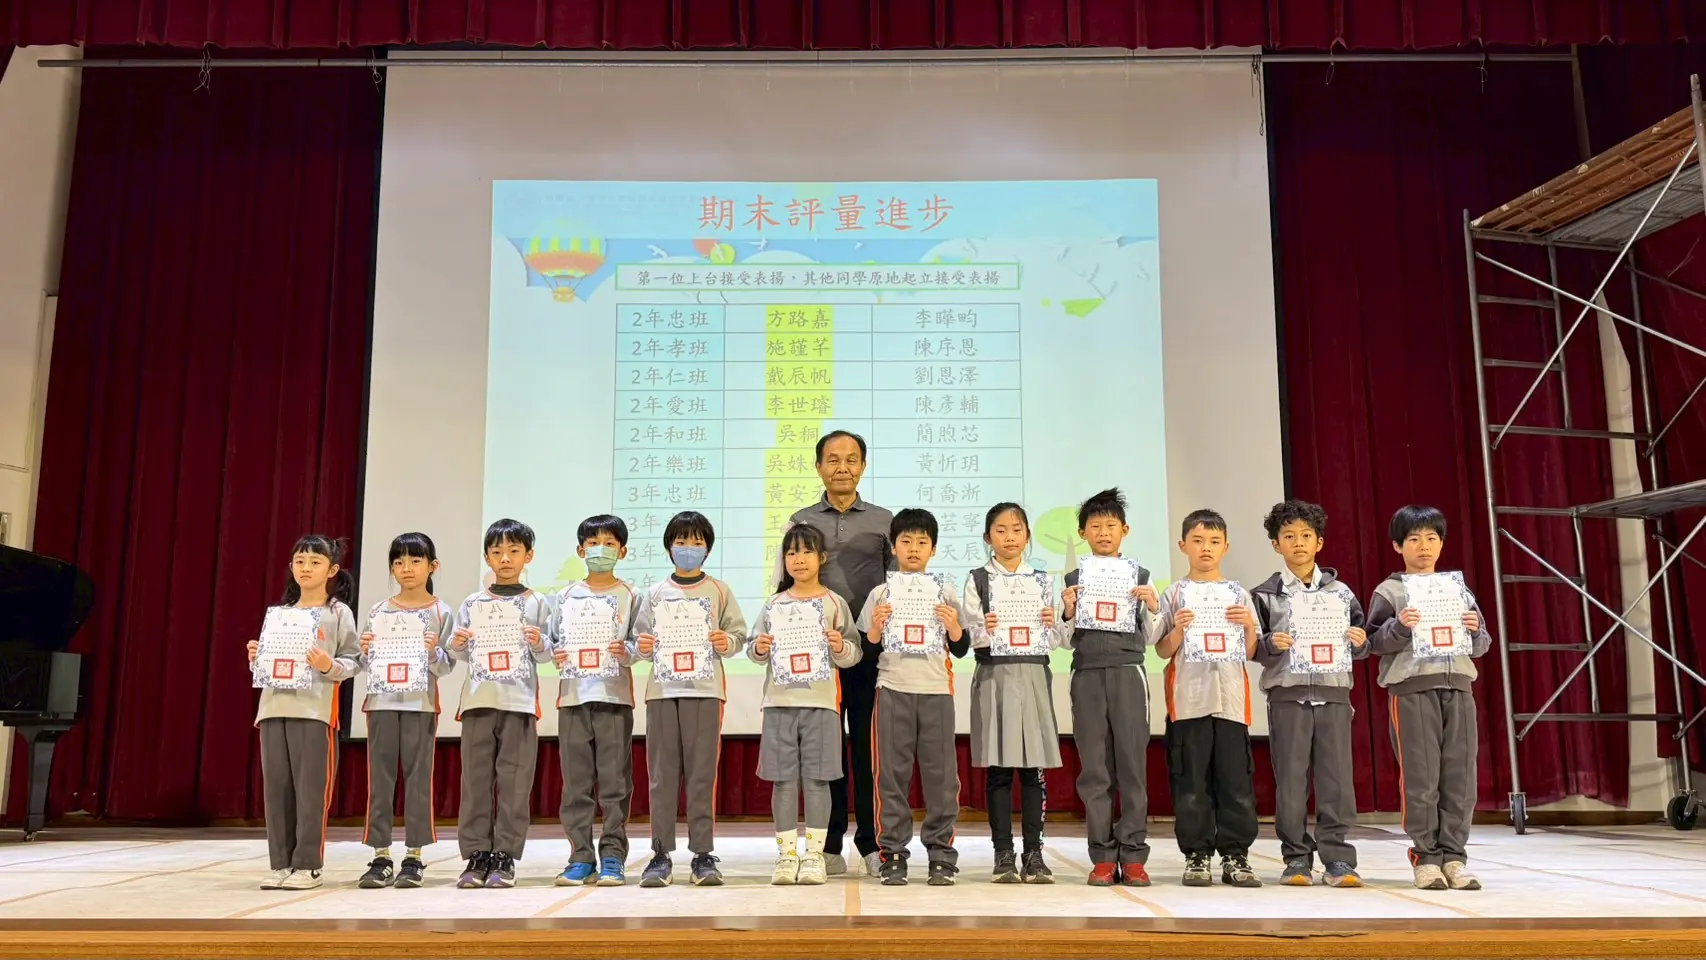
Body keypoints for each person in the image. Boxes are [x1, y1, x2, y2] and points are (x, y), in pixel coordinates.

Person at [775, 429, 892, 878]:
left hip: (869, 651)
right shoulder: (801, 520)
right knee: (827, 753)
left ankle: (872, 843)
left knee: (866, 748)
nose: (842, 467)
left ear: (863, 465)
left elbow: (899, 585)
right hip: (815, 657)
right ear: (818, 466)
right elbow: (784, 584)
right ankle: (828, 844)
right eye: (833, 459)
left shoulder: (884, 520)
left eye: (851, 459)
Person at [1366, 505, 1493, 892]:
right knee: (1421, 777)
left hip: (1458, 688)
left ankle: (1454, 857)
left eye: (1432, 538)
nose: (1424, 546)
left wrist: (1474, 630)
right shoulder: (1389, 591)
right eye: (1414, 539)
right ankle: (1425, 857)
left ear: (1442, 543)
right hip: (1412, 689)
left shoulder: (1458, 590)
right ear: (1397, 546)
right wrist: (1400, 627)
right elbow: (1373, 642)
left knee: (1460, 778)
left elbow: (1482, 644)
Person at [1250, 501, 1368, 888]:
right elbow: (1253, 648)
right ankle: (1296, 857)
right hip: (1288, 696)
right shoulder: (1265, 594)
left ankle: (1338, 858)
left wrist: (1359, 641)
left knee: (1336, 781)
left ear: (1319, 542)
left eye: (1306, 535)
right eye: (1288, 536)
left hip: (1334, 694)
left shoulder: (1341, 593)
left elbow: (1361, 643)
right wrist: (1271, 644)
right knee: (1291, 782)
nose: (1298, 543)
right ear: (1276, 544)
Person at [634, 510, 747, 888]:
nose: (688, 548)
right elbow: (638, 643)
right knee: (661, 777)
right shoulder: (654, 593)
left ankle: (702, 854)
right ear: (669, 547)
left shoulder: (719, 590)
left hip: (705, 691)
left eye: (696, 542)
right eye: (681, 542)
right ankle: (660, 854)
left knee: (702, 776)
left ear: (707, 550)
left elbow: (738, 636)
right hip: (663, 692)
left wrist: (725, 641)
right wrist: (643, 645)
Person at [860, 508, 970, 886]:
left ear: (933, 550)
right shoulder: (880, 593)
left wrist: (954, 627)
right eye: (905, 541)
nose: (913, 548)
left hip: (936, 691)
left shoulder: (945, 592)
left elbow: (961, 648)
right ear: (893, 547)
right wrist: (875, 629)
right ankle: (892, 853)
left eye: (922, 542)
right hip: (892, 689)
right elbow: (866, 651)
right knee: (890, 776)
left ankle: (941, 853)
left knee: (942, 779)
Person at [749, 524, 862, 886]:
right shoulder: (774, 604)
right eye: (791, 553)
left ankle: (814, 855)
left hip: (822, 703)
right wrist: (759, 648)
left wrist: (839, 646)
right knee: (782, 782)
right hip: (779, 703)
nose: (799, 559)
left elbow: (853, 653)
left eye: (807, 551)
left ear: (822, 558)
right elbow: (753, 649)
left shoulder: (834, 603)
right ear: (784, 561)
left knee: (817, 781)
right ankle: (786, 856)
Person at [246, 534, 360, 891]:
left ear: (332, 570)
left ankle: (308, 865)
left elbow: (354, 661)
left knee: (311, 792)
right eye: (299, 561)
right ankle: (281, 863)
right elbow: (268, 668)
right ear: (291, 567)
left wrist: (328, 665)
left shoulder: (338, 612)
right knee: (277, 791)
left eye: (315, 562)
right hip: (273, 708)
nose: (306, 568)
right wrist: (256, 659)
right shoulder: (280, 614)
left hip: (315, 711)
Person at [1156, 509, 1262, 889]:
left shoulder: (1238, 594)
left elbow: (1251, 650)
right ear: (1183, 545)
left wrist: (1247, 626)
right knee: (1191, 783)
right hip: (1188, 702)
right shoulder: (1174, 593)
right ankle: (1196, 855)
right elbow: (1162, 650)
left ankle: (1235, 855)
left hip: (1231, 703)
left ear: (1225, 547)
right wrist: (1179, 631)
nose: (1206, 548)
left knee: (1235, 782)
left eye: (1214, 541)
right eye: (1198, 541)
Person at [1060, 488, 1159, 887]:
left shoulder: (1142, 578)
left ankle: (1133, 855)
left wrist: (1153, 606)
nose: (1103, 533)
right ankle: (1102, 856)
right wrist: (1068, 610)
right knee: (1095, 771)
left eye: (1111, 526)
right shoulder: (1072, 579)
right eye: (1095, 526)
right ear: (1082, 533)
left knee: (1133, 767)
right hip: (1086, 673)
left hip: (1128, 672)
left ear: (1125, 531)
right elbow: (1062, 640)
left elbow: (1153, 638)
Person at [447, 518, 553, 889]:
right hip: (478, 701)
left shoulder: (538, 602)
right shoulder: (473, 603)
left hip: (520, 703)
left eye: (513, 551)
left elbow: (548, 655)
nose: (505, 558)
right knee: (475, 783)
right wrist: (458, 643)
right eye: (497, 552)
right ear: (487, 558)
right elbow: (459, 653)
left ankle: (505, 855)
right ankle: (477, 854)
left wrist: (538, 641)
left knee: (514, 784)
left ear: (528, 556)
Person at [962, 502, 1062, 884]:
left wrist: (1052, 623)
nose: (1009, 537)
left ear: (1027, 536)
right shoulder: (978, 580)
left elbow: (1056, 640)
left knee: (1033, 770)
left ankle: (1034, 853)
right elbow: (968, 637)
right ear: (988, 538)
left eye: (1016, 529)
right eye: (1000, 530)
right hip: (995, 675)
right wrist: (983, 629)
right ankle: (1003, 853)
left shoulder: (1041, 581)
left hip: (1033, 674)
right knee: (999, 769)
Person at [356, 532, 456, 889]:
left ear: (432, 566)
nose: (406, 568)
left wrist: (432, 651)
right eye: (398, 562)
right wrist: (365, 650)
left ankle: (414, 856)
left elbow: (446, 665)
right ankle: (380, 855)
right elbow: (364, 663)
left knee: (418, 780)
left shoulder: (442, 612)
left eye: (415, 561)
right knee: (380, 781)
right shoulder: (379, 611)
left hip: (421, 705)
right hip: (381, 703)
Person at [551, 515, 644, 887]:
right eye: (592, 543)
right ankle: (580, 857)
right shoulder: (565, 596)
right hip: (573, 698)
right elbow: (552, 643)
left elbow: (642, 644)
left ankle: (613, 856)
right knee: (575, 785)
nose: (600, 550)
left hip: (614, 697)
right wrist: (556, 653)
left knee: (615, 783)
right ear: (580, 550)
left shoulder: (632, 594)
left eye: (609, 543)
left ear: (622, 551)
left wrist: (628, 652)